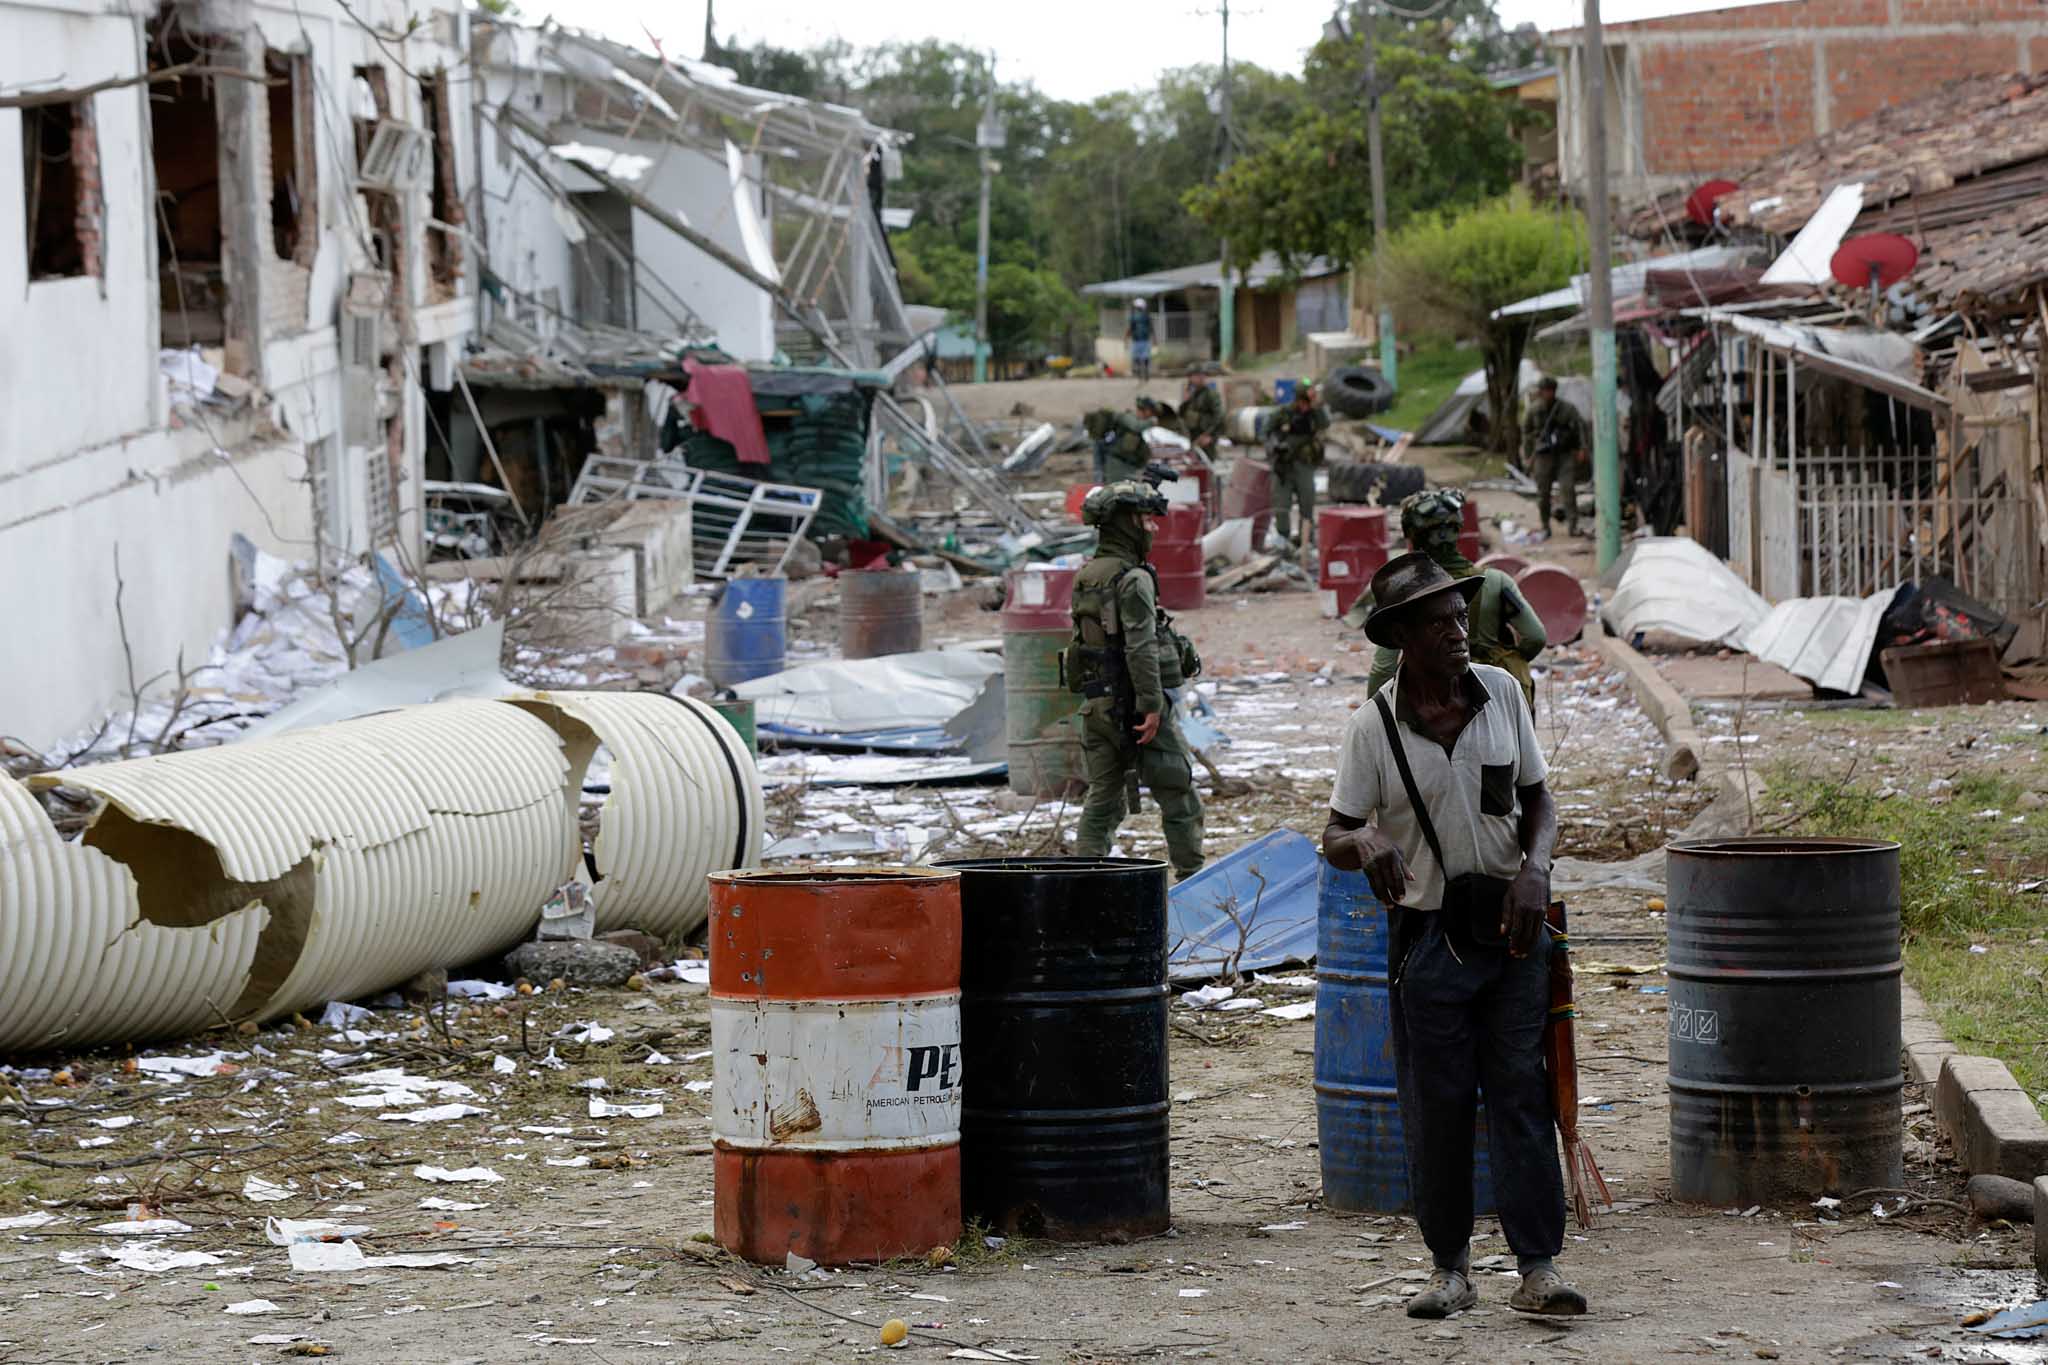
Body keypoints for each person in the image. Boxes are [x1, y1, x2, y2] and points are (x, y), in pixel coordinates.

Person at [1321, 551, 1584, 1323]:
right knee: (1435, 1107)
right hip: (1429, 941)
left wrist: (1536, 869)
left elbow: (1540, 802)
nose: (1459, 631)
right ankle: (1449, 1269)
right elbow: (1334, 832)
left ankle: (1538, 1267)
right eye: (1439, 622)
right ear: (1402, 635)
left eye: (1462, 617)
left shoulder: (1502, 693)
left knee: (1521, 1095)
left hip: (1513, 930)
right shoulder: (1373, 727)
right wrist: (1365, 840)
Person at [1067, 480, 1205, 879]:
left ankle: (1080, 884)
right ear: (1126, 524)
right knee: (1178, 793)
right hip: (1135, 708)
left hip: (1098, 705)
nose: (1153, 527)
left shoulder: (1088, 574)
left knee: (1103, 801)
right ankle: (1193, 881)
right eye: (1146, 520)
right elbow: (1140, 647)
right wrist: (1151, 705)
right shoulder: (1133, 579)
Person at [1348, 488, 1548, 707]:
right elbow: (1536, 637)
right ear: (1457, 530)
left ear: (1412, 536)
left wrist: (1377, 713)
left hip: (1437, 701)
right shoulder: (1496, 581)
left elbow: (1384, 667)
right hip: (1498, 697)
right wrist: (1502, 662)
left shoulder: (1408, 593)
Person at [1266, 380, 1329, 549]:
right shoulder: (1283, 413)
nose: (1305, 406)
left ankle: (1305, 539)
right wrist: (1275, 446)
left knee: (1307, 503)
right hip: (1284, 465)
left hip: (1305, 465)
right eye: (1305, 400)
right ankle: (1283, 539)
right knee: (1281, 504)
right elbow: (1267, 432)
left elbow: (1325, 423)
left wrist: (1316, 406)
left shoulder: (1315, 414)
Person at [1521, 377, 1587, 539]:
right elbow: (1526, 432)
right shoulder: (1534, 410)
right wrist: (1528, 455)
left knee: (1568, 490)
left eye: (1549, 390)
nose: (1547, 394)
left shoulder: (1566, 408)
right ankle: (1545, 526)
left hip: (1564, 454)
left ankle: (1573, 526)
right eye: (1544, 390)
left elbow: (1580, 426)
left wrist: (1581, 448)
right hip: (1543, 456)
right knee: (1543, 493)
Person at [1085, 408, 1151, 485]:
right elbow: (1098, 457)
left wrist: (1152, 421)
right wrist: (1099, 475)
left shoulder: (1121, 419)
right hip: (1117, 464)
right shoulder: (1100, 434)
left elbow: (1137, 426)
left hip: (1136, 461)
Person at [1181, 374, 1225, 453]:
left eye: (1200, 376)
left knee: (1207, 457)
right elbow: (1181, 414)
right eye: (1194, 376)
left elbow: (1219, 416)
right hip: (1192, 435)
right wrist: (1185, 402)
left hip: (1204, 434)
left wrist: (1211, 435)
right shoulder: (1193, 394)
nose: (1199, 378)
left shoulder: (1210, 394)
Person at [1127, 299, 1154, 381]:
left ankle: (1140, 372)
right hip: (1143, 340)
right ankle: (1144, 372)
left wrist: (1126, 337)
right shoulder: (1146, 316)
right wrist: (1154, 339)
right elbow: (1151, 328)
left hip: (1138, 340)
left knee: (1137, 358)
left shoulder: (1134, 316)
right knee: (1145, 358)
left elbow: (1130, 328)